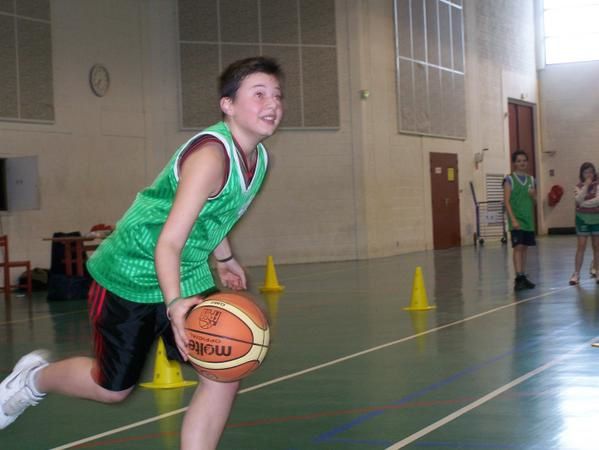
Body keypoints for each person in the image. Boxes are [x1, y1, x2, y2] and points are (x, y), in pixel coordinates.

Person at [0, 56, 284, 450]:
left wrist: (224, 257)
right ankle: (31, 380)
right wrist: (175, 305)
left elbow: (211, 213)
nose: (272, 103)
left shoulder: (260, 159)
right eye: (259, 94)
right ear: (228, 104)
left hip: (186, 271)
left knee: (223, 370)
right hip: (130, 272)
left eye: (276, 95)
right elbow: (167, 242)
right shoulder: (209, 157)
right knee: (111, 388)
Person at [504, 150, 537, 291]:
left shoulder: (531, 180)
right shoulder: (509, 179)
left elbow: (535, 202)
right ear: (514, 163)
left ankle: (523, 276)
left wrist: (534, 195)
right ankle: (518, 278)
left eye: (524, 160)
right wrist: (513, 219)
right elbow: (506, 201)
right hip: (516, 220)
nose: (522, 163)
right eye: (518, 161)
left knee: (524, 248)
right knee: (518, 248)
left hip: (528, 219)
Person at [570, 162, 599, 285]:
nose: (589, 174)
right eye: (586, 172)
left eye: (591, 171)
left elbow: (597, 201)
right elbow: (578, 200)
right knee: (581, 246)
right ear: (581, 174)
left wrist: (583, 203)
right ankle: (576, 274)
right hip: (582, 219)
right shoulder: (577, 186)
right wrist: (586, 186)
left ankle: (597, 271)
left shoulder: (598, 185)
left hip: (596, 219)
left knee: (597, 246)